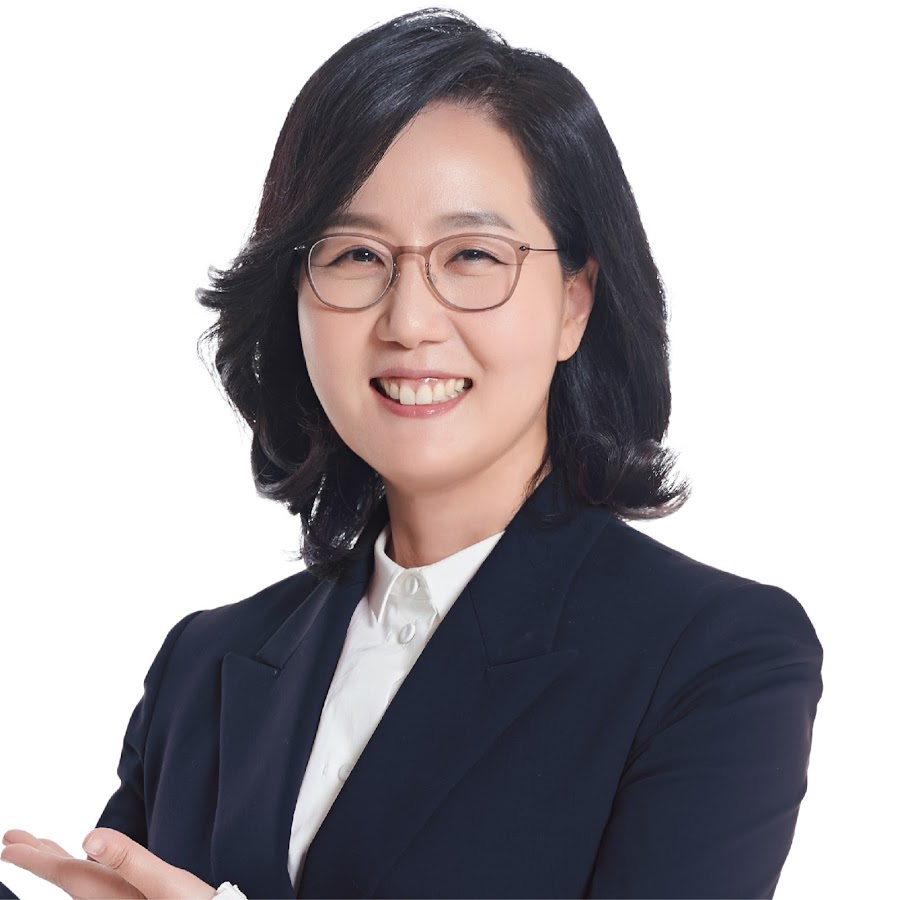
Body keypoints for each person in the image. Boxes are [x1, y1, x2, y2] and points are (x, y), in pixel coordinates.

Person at [0, 8, 823, 899]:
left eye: (472, 255)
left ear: (575, 303)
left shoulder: (714, 656)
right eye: (357, 254)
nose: (409, 321)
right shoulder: (202, 665)